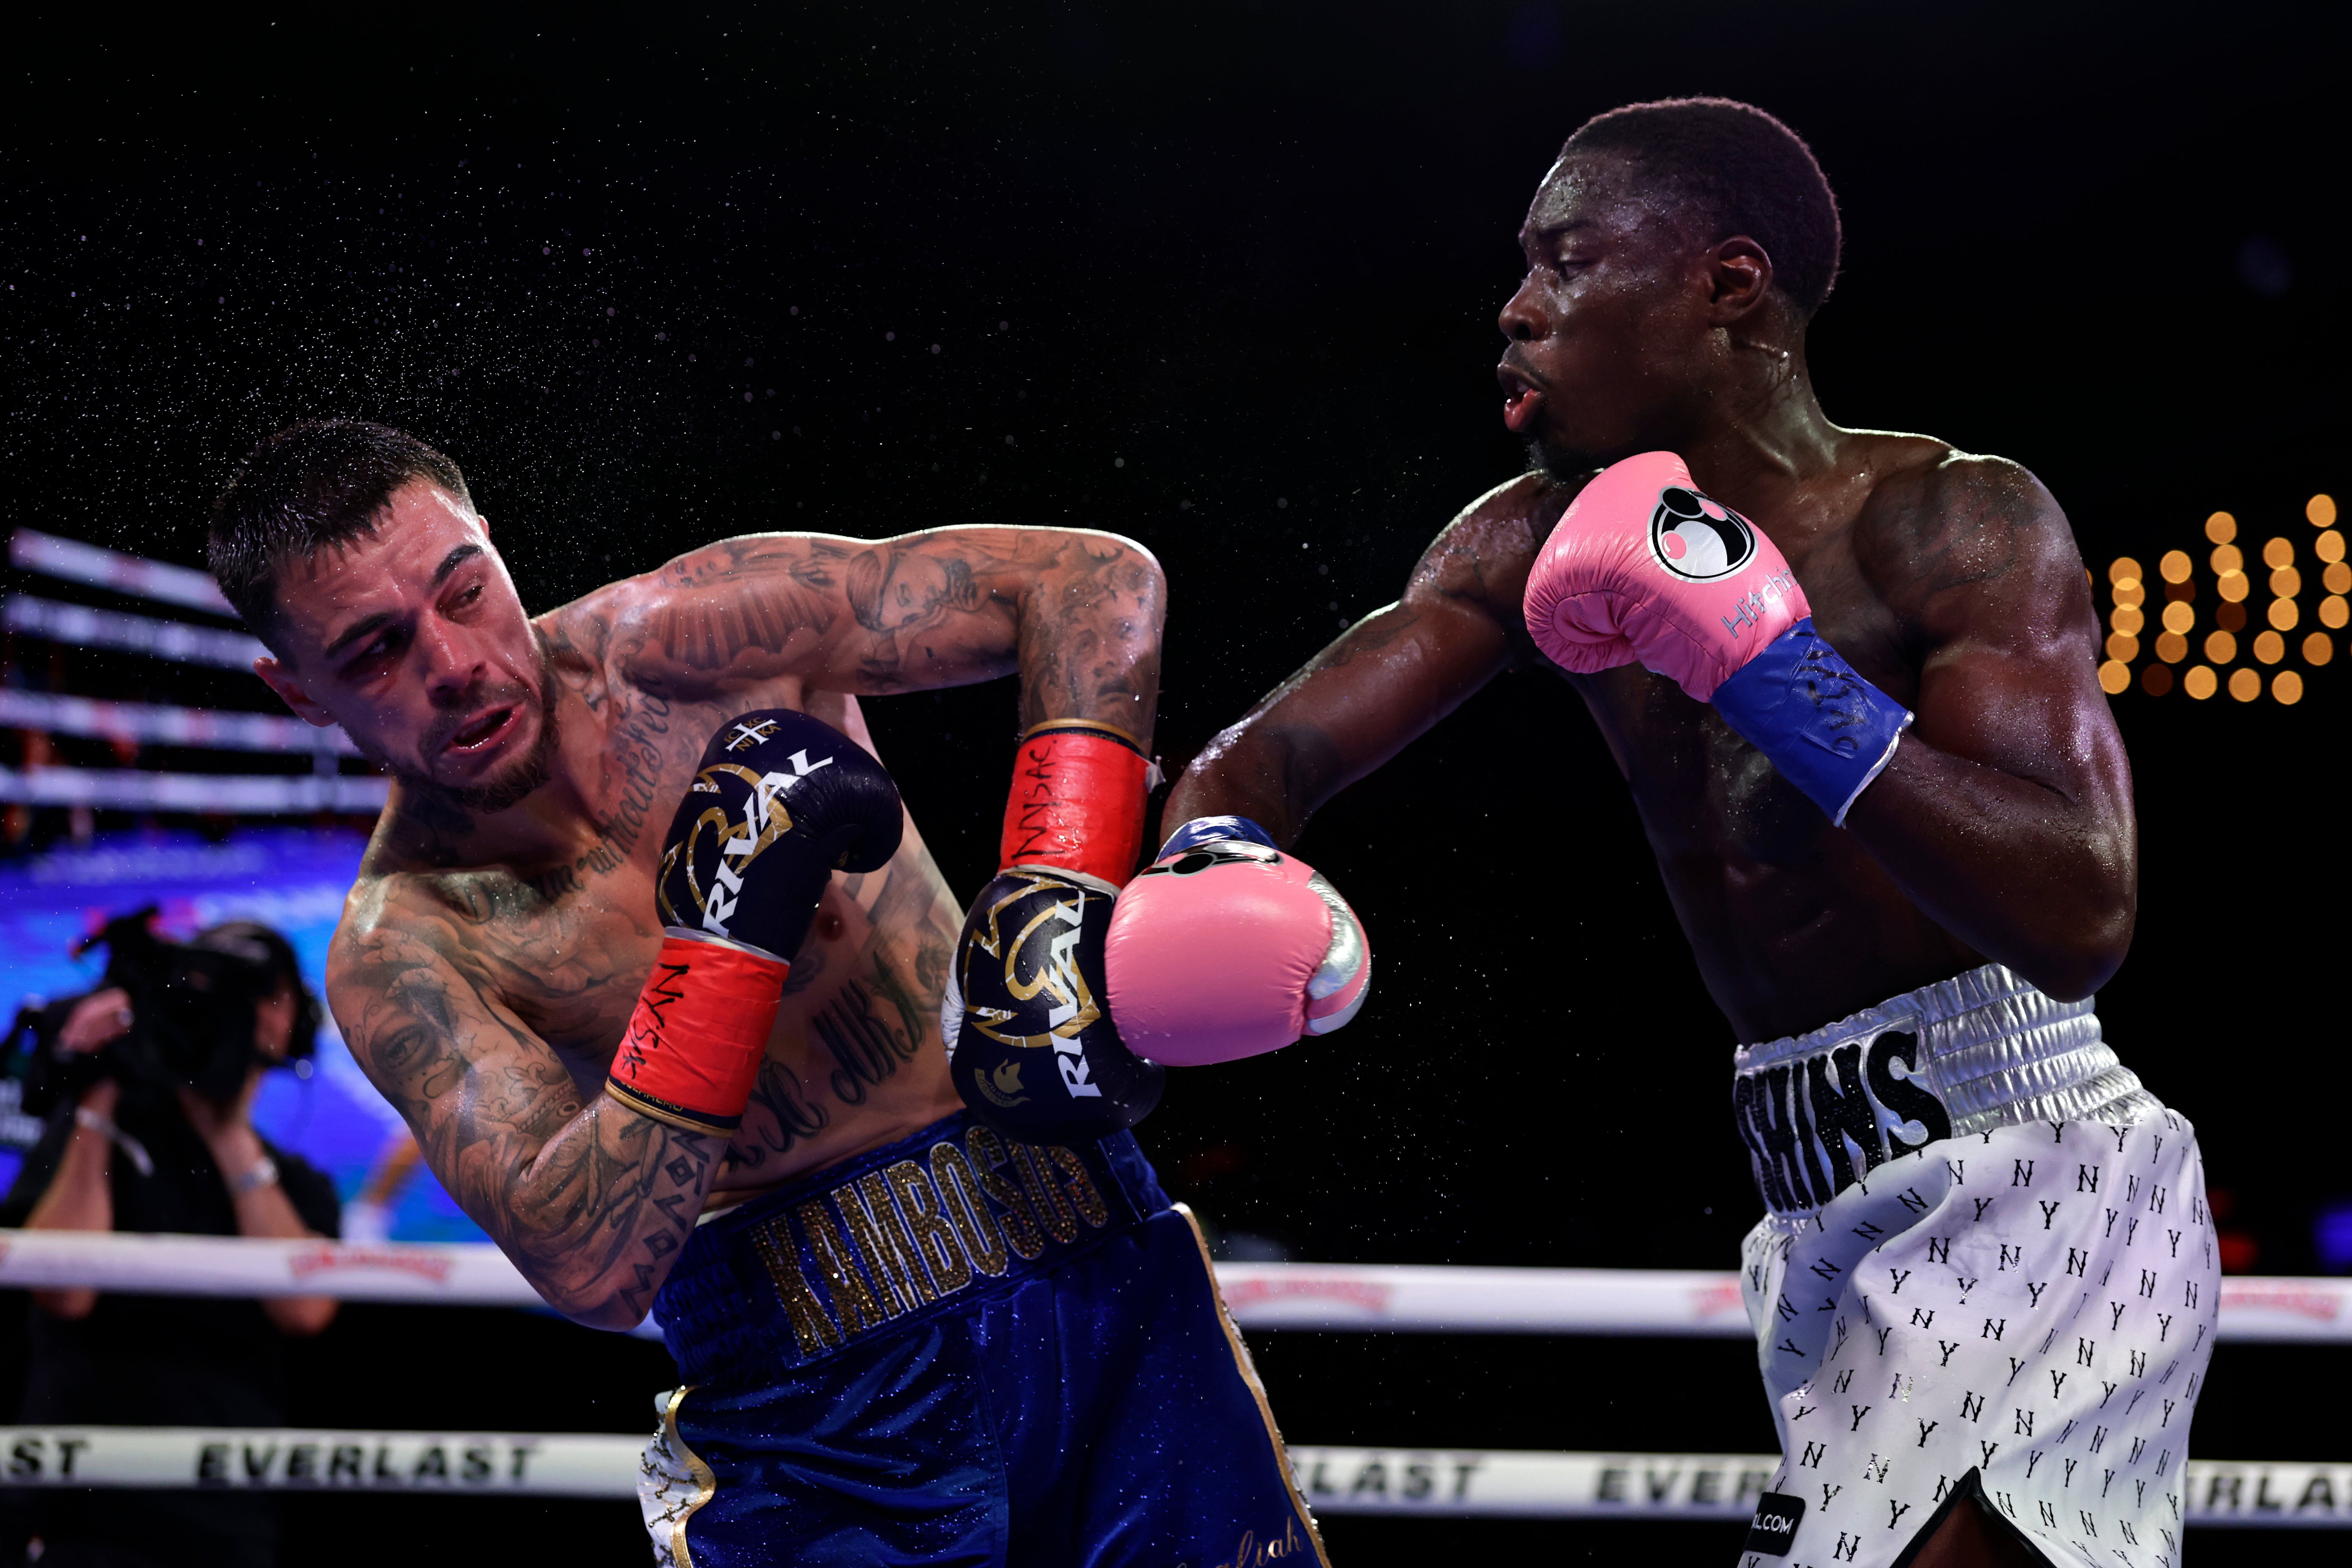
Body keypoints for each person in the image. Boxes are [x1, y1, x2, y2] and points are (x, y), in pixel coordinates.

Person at [1130, 99, 2213, 1567]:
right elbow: (1257, 767)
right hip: (1811, 1191)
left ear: (1728, 284)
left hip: (2034, 1163)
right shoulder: (1523, 543)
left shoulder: (1949, 519)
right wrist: (1213, 869)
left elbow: (2079, 918)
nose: (1515, 310)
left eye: (1566, 261)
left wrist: (1771, 678)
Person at [205, 421, 1326, 1565]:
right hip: (820, 1428)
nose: (453, 664)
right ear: (296, 691)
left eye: (463, 591)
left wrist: (1056, 886)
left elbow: (1089, 580)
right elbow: (588, 1267)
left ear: (491, 544)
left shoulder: (701, 638)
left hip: (1100, 1277)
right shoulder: (410, 947)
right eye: (376, 650)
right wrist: (726, 937)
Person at [0, 920, 341, 1568]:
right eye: (218, 990)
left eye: (263, 995)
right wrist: (96, 1095)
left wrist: (224, 1128)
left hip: (221, 1516)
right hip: (74, 1508)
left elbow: (306, 1310)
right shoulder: (96, 1144)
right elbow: (63, 1289)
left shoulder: (298, 1184)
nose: (243, 1013)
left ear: (292, 1020)